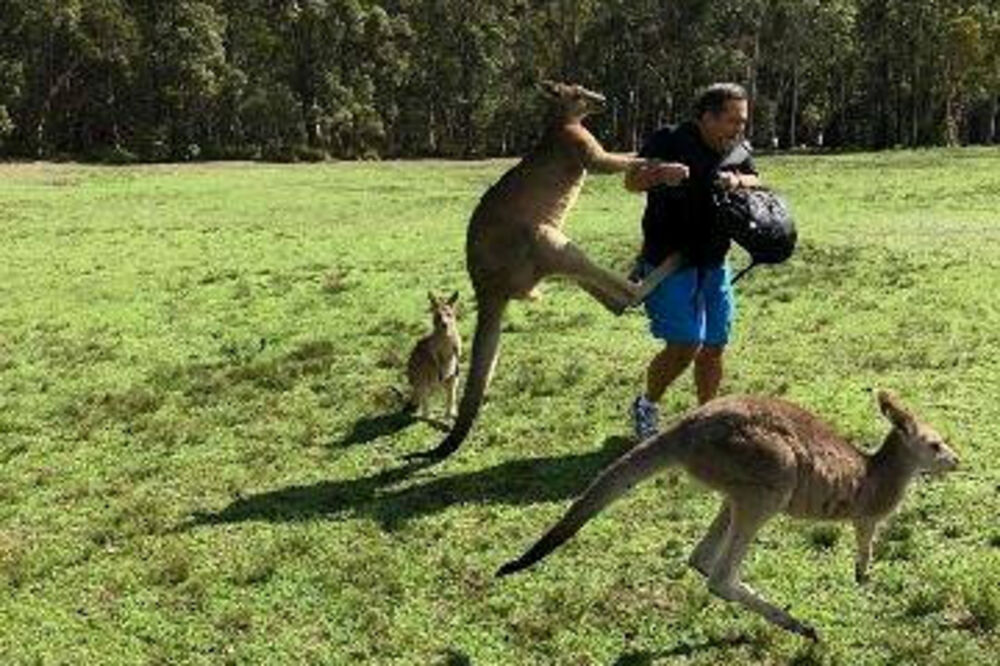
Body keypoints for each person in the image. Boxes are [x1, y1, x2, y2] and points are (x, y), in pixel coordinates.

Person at [624, 83, 760, 439]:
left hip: (715, 260)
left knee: (714, 346)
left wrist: (737, 179)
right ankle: (647, 404)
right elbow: (630, 181)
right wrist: (659, 174)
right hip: (669, 261)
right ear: (706, 116)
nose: (739, 129)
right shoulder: (669, 139)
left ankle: (707, 420)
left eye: (742, 121)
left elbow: (756, 178)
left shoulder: (735, 149)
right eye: (733, 120)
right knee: (685, 344)